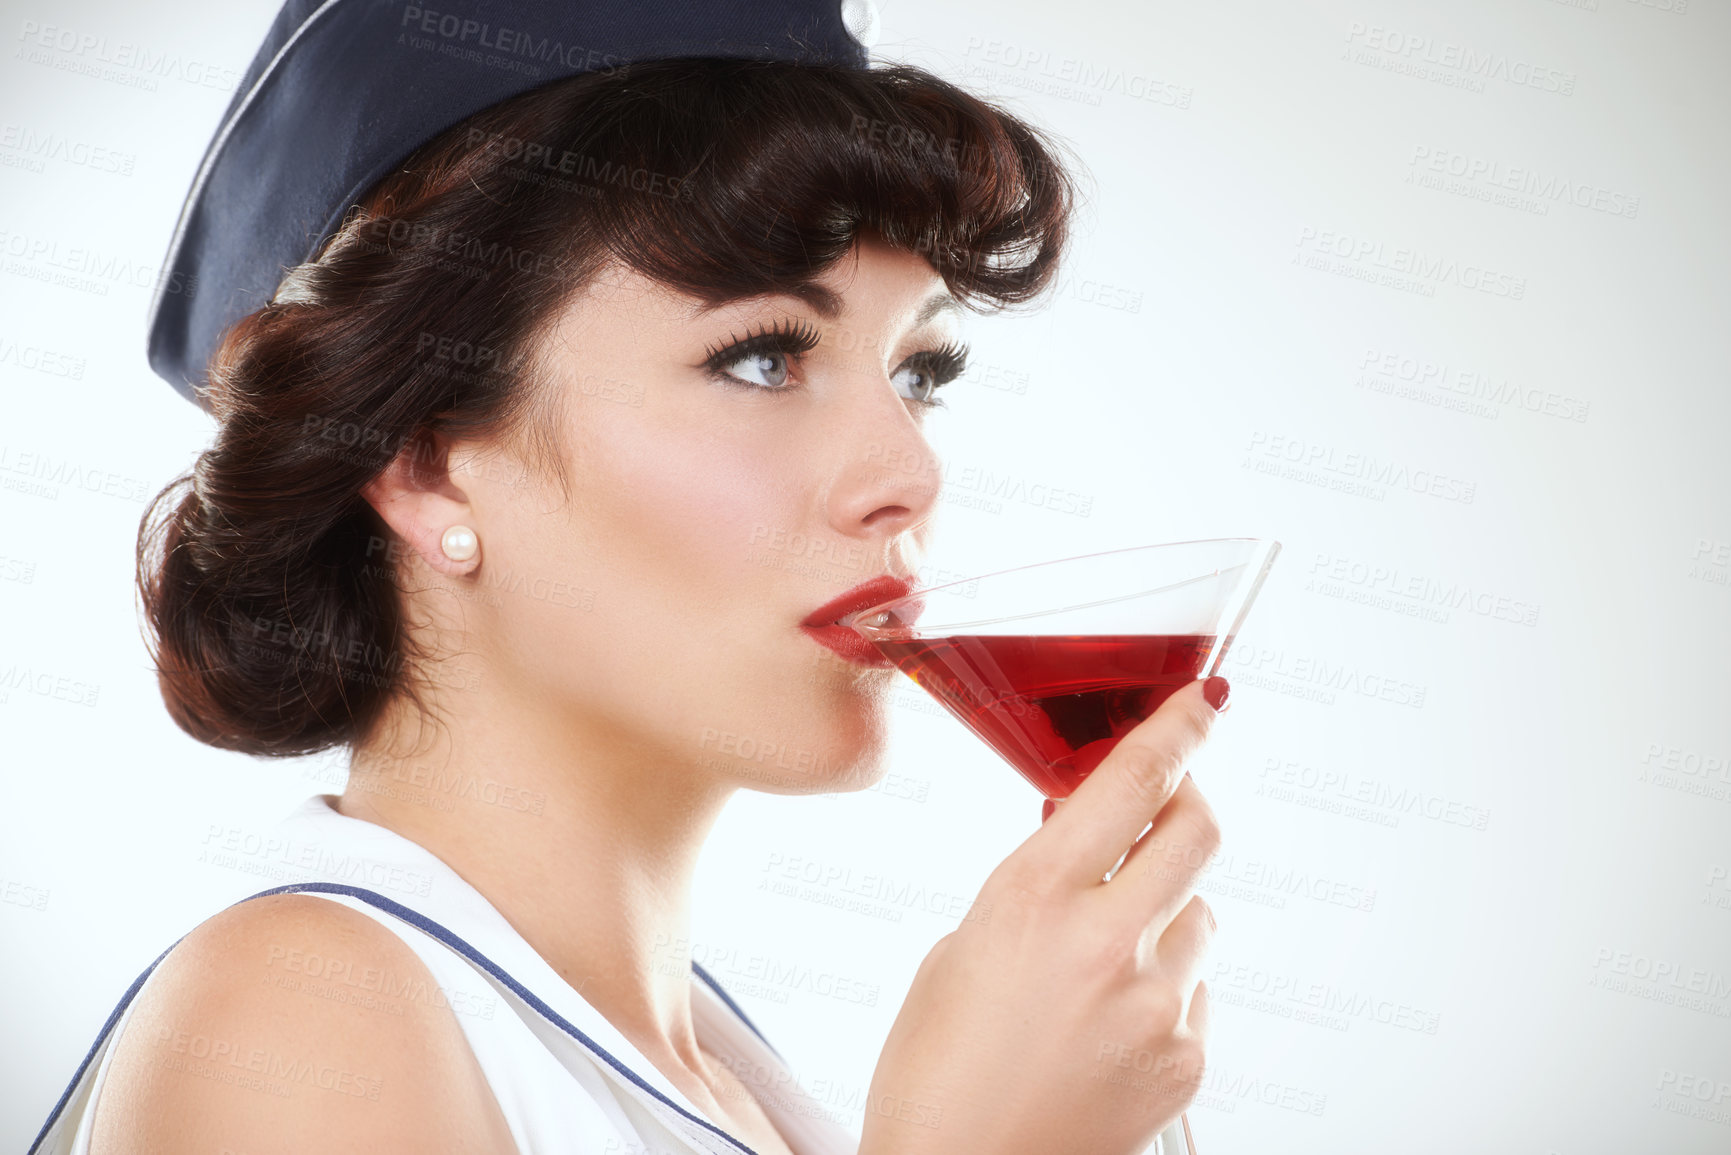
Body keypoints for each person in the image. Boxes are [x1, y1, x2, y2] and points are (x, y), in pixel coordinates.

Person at [29, 3, 1227, 1152]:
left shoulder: (718, 1073)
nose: (907, 471)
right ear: (428, 464)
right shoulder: (305, 1021)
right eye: (763, 359)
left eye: (918, 372)